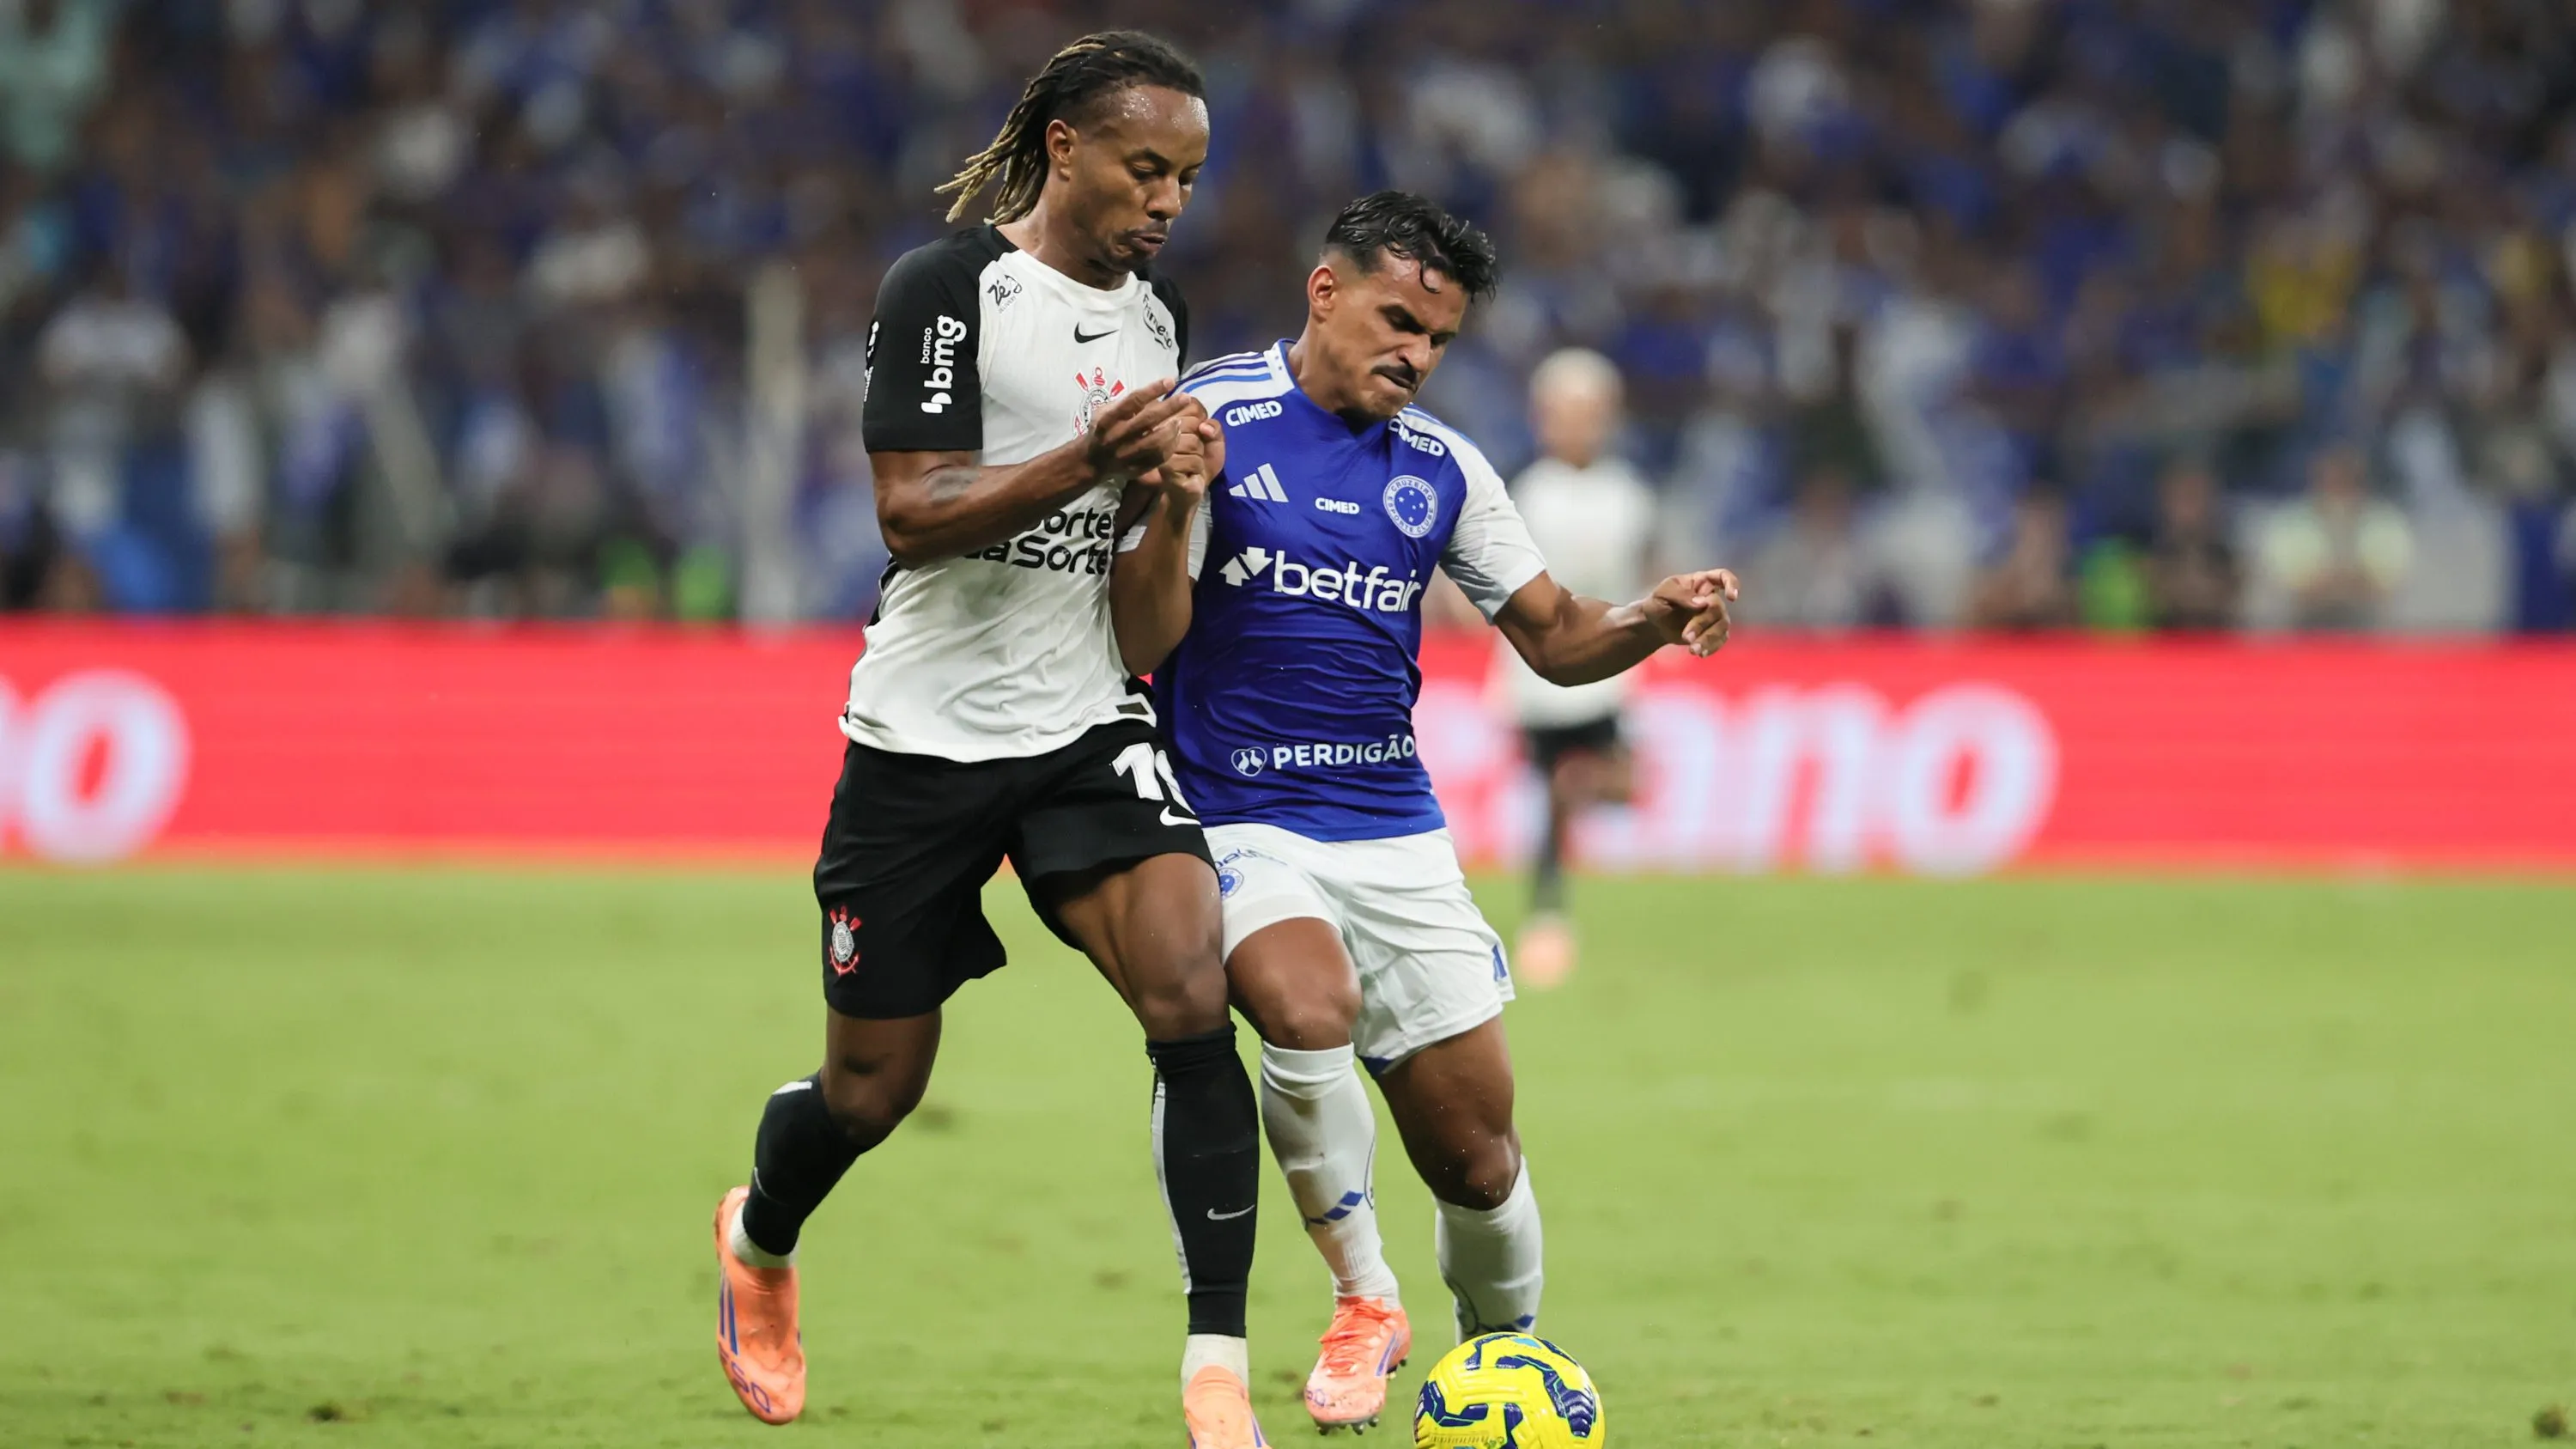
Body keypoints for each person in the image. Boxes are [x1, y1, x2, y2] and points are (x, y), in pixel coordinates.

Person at [705, 33, 1273, 1448]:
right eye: (1147, 167)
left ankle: (1217, 1373)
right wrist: (1093, 457)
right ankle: (761, 1241)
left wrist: (1173, 501)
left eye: (1189, 179)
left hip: (1087, 720)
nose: (1167, 201)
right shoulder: (946, 288)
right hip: (922, 740)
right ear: (1064, 147)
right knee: (873, 1088)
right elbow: (911, 510)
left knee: (1194, 987)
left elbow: (1143, 631)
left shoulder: (1159, 313)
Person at [1114, 191, 1738, 1434]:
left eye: (1439, 339)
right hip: (1239, 816)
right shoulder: (1210, 416)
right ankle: (1366, 1294)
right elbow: (1139, 635)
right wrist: (1181, 502)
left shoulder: (1443, 468)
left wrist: (1651, 621)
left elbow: (1557, 638)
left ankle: (1505, 1363)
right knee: (1305, 1003)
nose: (1415, 353)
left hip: (1393, 828)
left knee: (1477, 1155)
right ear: (1326, 291)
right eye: (1398, 320)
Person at [1489, 348, 1658, 988]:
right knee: (1555, 796)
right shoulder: (1528, 492)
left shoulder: (1627, 496)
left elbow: (1644, 574)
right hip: (1536, 678)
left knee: (1600, 785)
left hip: (1611, 670)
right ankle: (1548, 918)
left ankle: (1550, 916)